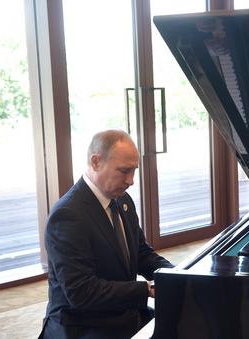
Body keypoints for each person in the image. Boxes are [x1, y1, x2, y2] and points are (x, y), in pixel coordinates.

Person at [39, 129, 174, 339]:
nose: (131, 181)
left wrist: (176, 275)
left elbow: (142, 255)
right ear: (95, 162)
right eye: (124, 171)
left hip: (123, 314)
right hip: (84, 326)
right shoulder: (68, 216)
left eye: (134, 171)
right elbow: (81, 292)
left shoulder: (122, 200)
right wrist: (145, 289)